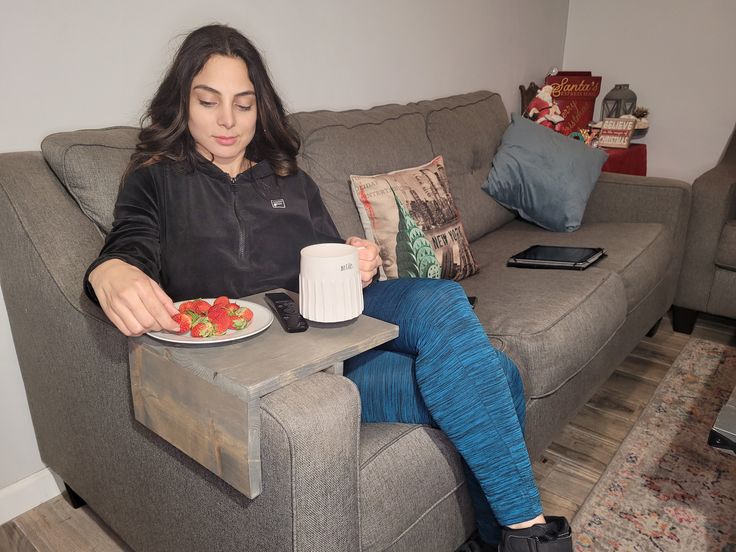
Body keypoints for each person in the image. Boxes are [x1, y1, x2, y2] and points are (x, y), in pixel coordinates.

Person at [84, 24, 572, 552]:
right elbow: (128, 246)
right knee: (495, 374)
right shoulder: (157, 178)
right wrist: (108, 270)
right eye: (209, 102)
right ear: (183, 101)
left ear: (259, 108)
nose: (227, 121)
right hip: (281, 364)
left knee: (443, 300)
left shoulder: (286, 175)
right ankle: (520, 538)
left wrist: (358, 259)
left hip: (332, 327)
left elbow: (324, 250)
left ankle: (517, 534)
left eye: (243, 105)